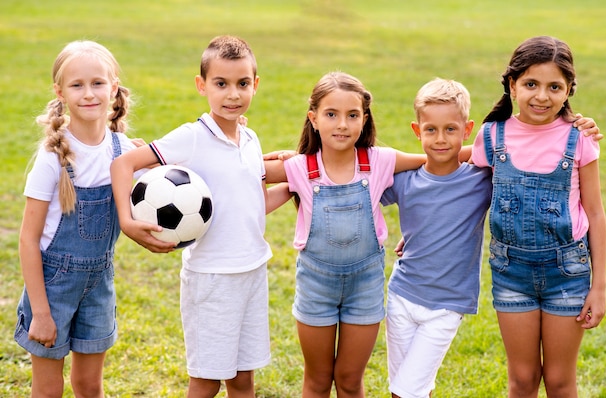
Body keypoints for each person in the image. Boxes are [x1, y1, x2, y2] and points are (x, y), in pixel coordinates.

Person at [111, 35, 283, 398]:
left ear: (256, 84)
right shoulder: (191, 138)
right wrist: (127, 221)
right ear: (201, 86)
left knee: (243, 380)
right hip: (212, 278)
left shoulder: (250, 140)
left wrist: (298, 185)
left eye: (242, 84)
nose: (232, 94)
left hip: (253, 270)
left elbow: (250, 203)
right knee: (206, 382)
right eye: (221, 84)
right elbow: (123, 163)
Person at [264, 71, 435, 398]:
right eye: (331, 114)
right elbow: (244, 172)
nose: (342, 124)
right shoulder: (300, 167)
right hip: (316, 286)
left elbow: (436, 159)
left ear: (364, 120)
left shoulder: (379, 161)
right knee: (317, 379)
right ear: (313, 119)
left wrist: (492, 150)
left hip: (365, 286)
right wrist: (264, 158)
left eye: (352, 115)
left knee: (349, 379)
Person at [471, 36, 606, 397]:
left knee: (561, 382)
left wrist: (599, 286)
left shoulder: (579, 139)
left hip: (568, 273)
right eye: (531, 84)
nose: (542, 96)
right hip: (510, 272)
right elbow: (458, 190)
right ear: (512, 85)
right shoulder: (490, 137)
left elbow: (595, 212)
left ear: (569, 91)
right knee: (522, 379)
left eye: (554, 87)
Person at [14, 40, 136, 397]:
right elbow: (27, 239)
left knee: (88, 385)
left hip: (99, 283)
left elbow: (169, 172)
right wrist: (40, 312)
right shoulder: (53, 157)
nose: (89, 94)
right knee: (49, 388)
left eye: (98, 83)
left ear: (114, 87)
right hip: (52, 287)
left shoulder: (124, 152)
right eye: (77, 85)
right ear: (61, 92)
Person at [380, 78, 493, 398]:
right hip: (401, 295)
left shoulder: (480, 180)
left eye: (451, 130)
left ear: (467, 129)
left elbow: (522, 149)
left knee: (407, 391)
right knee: (405, 387)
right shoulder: (404, 181)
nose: (440, 139)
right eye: (431, 130)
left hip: (447, 305)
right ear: (417, 130)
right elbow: (362, 181)